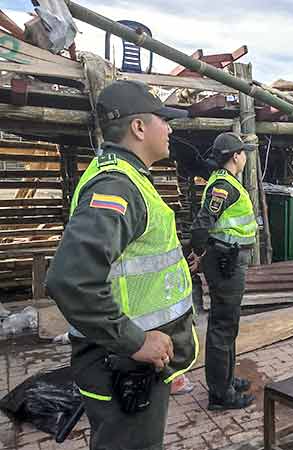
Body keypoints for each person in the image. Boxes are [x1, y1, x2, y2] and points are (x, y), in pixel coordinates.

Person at [46, 80, 197, 449]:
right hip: (122, 365)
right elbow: (70, 280)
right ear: (139, 127)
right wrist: (135, 340)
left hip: (131, 365)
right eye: (164, 119)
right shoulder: (116, 187)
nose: (171, 128)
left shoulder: (128, 178)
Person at [187, 132, 257, 410]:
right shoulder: (224, 187)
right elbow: (201, 225)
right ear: (235, 156)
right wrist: (199, 252)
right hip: (227, 260)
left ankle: (226, 379)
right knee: (223, 325)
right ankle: (220, 393)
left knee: (229, 323)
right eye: (244, 152)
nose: (246, 156)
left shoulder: (225, 183)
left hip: (227, 258)